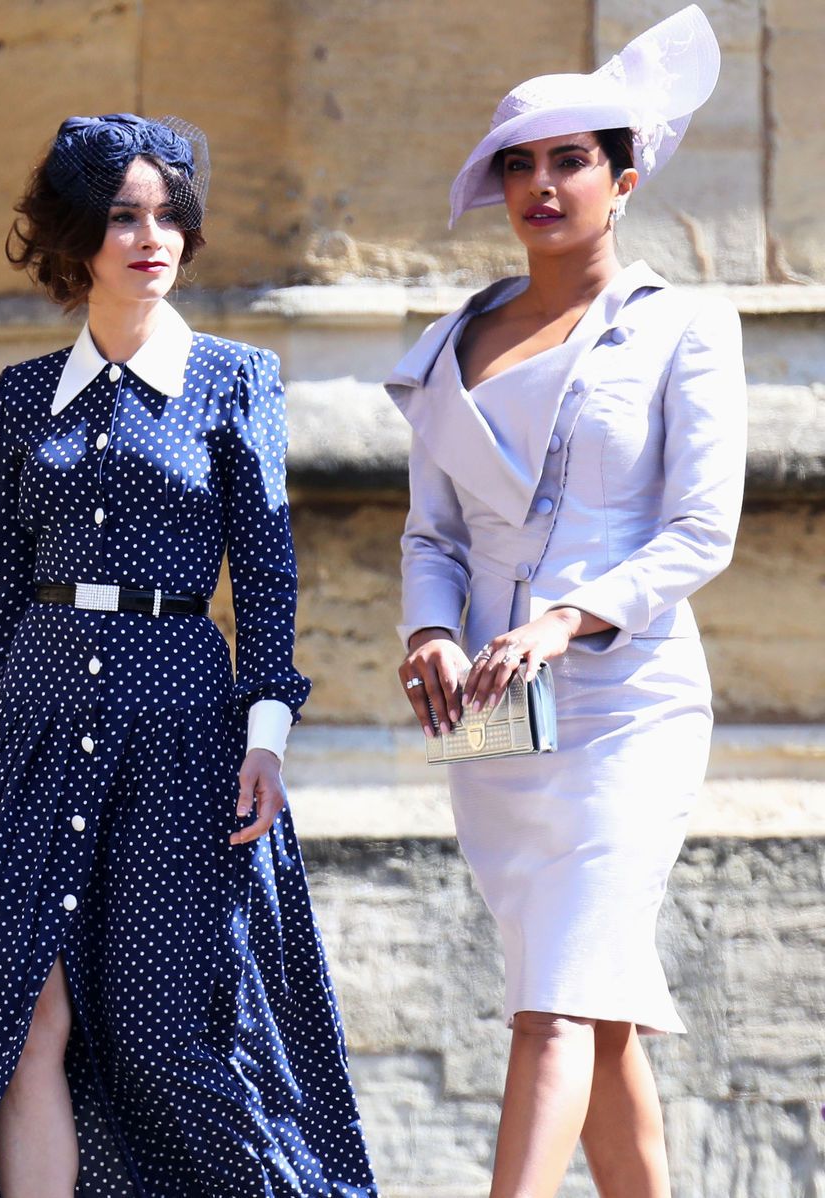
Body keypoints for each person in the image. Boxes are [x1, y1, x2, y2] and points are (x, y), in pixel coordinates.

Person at [0, 113, 376, 1198]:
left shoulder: (237, 380)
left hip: (180, 726)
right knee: (18, 1018)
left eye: (169, 216)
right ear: (76, 239)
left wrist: (266, 735)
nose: (153, 237)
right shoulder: (20, 397)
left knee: (166, 1033)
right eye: (123, 217)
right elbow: (2, 594)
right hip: (35, 728)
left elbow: (269, 576)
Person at [387, 8, 745, 1196]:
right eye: (520, 164)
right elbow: (432, 533)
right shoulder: (449, 343)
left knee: (550, 1008)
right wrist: (432, 629)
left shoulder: (686, 327)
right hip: (496, 723)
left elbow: (699, 532)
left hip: (627, 705)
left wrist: (562, 617)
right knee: (593, 1017)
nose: (541, 184)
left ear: (622, 178)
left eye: (570, 160)